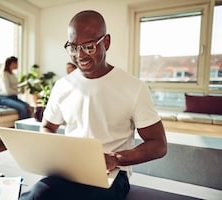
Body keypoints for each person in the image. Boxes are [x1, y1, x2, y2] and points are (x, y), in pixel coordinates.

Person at [20, 10, 167, 200]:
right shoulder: (62, 86)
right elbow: (48, 126)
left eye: (89, 46)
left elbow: (159, 144)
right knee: (36, 196)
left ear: (106, 42)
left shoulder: (134, 87)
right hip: (70, 169)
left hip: (113, 174)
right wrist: (56, 156)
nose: (80, 55)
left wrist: (115, 159)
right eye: (73, 47)